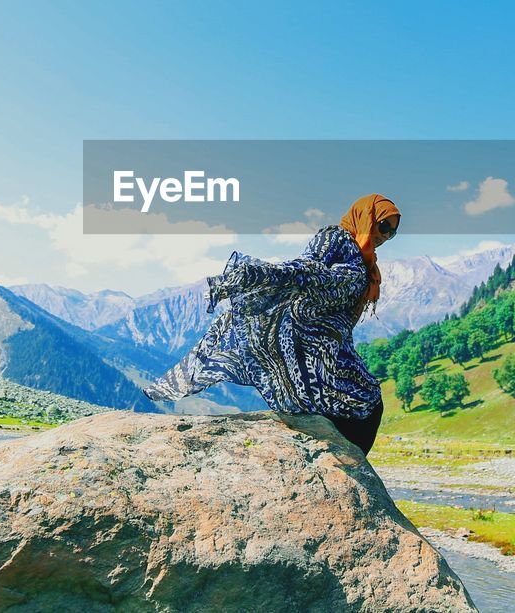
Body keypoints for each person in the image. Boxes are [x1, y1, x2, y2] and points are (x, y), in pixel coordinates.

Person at [142, 194, 400, 457]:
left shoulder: (364, 260)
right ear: (366, 217)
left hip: (333, 349)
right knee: (365, 402)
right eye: (383, 226)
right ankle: (341, 465)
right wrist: (261, 274)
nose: (385, 236)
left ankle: (342, 463)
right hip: (306, 344)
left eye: (392, 232)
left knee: (366, 402)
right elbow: (307, 265)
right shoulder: (336, 238)